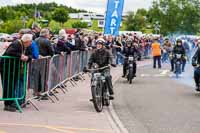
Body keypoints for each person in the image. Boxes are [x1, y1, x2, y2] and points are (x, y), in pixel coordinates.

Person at [0, 34, 33, 112]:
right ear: (26, 41)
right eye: (30, 41)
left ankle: (11, 102)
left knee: (12, 86)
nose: (31, 43)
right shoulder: (16, 43)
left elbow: (30, 56)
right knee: (8, 86)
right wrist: (21, 56)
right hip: (7, 68)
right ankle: (7, 104)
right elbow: (9, 52)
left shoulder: (27, 47)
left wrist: (27, 57)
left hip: (16, 69)